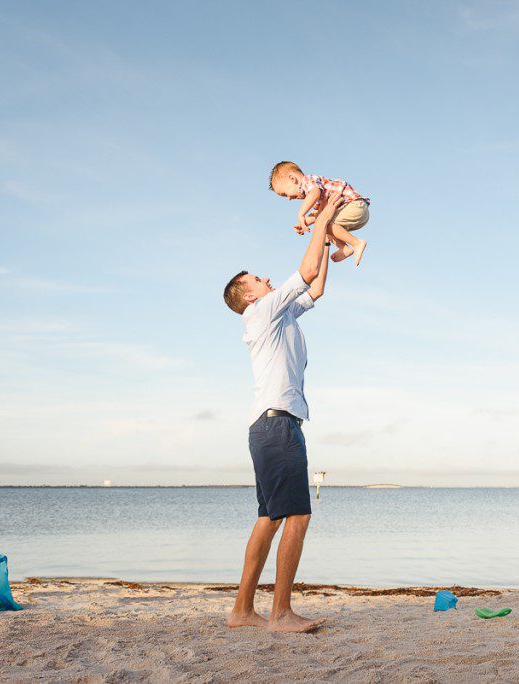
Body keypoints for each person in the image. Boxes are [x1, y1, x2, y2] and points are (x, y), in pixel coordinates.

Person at [221, 191, 344, 633]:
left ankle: (241, 612)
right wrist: (323, 214)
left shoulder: (278, 315)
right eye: (257, 278)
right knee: (299, 514)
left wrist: (326, 238)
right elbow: (305, 270)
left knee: (269, 518)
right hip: (277, 426)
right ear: (247, 295)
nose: (266, 278)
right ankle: (281, 613)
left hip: (269, 426)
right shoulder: (261, 311)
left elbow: (317, 285)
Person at [268, 161, 370, 266]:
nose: (289, 198)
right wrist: (304, 222)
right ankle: (344, 248)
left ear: (293, 179)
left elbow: (314, 193)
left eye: (285, 194)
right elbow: (317, 215)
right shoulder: (315, 196)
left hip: (355, 206)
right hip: (355, 210)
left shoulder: (308, 181)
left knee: (323, 223)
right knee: (323, 226)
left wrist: (301, 214)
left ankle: (356, 243)